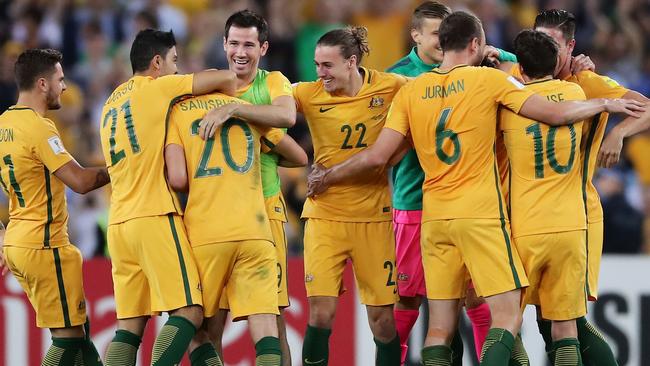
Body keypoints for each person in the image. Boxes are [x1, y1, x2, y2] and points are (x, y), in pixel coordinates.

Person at [306, 11, 643, 365]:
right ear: (476, 44)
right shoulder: (489, 82)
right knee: (509, 317)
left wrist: (329, 175)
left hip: (433, 219)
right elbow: (552, 112)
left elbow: (380, 157)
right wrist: (605, 104)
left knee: (439, 327)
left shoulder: (411, 90)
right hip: (484, 217)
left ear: (440, 43)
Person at [385, 2, 519, 363]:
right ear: (415, 36)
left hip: (451, 205)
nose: (442, 40)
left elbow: (513, 57)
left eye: (447, 33)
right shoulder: (398, 77)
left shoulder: (475, 66)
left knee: (473, 302)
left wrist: (496, 53)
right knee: (410, 300)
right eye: (434, 34)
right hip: (414, 202)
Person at [99, 29, 237, 366]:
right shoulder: (158, 87)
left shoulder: (110, 102)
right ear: (157, 62)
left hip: (118, 224)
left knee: (130, 327)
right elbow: (228, 78)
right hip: (154, 215)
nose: (178, 70)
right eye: (175, 61)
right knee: (191, 311)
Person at [533, 9, 650, 365]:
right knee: (543, 319)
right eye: (538, 40)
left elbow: (645, 107)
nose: (543, 50)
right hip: (528, 215)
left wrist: (618, 132)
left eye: (552, 44)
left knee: (566, 321)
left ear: (570, 46)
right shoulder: (520, 77)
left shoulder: (589, 83)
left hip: (575, 214)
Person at [197, 10, 307, 365]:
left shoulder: (272, 81)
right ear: (223, 44)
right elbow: (294, 153)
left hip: (264, 215)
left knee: (272, 322)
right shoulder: (209, 87)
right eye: (234, 43)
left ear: (263, 47)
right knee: (211, 321)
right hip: (218, 216)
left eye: (248, 44)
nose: (240, 52)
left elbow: (288, 118)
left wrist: (235, 110)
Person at [294, 26, 407, 365]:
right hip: (324, 217)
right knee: (321, 315)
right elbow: (267, 97)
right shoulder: (308, 94)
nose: (320, 73)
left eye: (327, 66)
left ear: (351, 62)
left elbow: (431, 95)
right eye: (316, 65)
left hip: (375, 217)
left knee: (383, 323)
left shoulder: (391, 87)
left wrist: (400, 150)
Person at [165, 91, 294, 366]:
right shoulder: (246, 109)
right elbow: (298, 156)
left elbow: (177, 179)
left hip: (207, 234)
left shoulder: (179, 112)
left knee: (200, 333)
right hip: (255, 232)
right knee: (266, 327)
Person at [0, 48, 110, 365]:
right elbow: (81, 181)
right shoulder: (40, 127)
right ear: (42, 84)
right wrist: (124, 166)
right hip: (44, 246)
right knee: (67, 340)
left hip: (18, 244)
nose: (65, 87)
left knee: (77, 330)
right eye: (60, 80)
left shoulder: (4, 123)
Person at [500, 29, 590, 365]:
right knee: (565, 327)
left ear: (520, 69)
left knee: (507, 323)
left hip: (526, 228)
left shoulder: (510, 103)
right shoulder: (575, 92)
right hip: (570, 227)